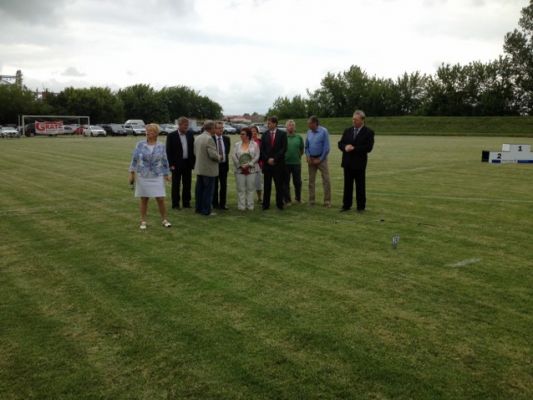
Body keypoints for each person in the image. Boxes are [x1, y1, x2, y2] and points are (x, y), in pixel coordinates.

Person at [128, 123, 171, 230]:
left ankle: (164, 220)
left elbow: (165, 160)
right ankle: (143, 221)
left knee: (160, 198)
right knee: (144, 199)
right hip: (143, 175)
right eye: (147, 131)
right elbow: (134, 159)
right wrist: (132, 173)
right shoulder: (140, 144)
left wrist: (166, 174)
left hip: (157, 175)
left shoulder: (161, 145)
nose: (148, 133)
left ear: (156, 133)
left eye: (151, 131)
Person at [338, 110, 375, 212]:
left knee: (360, 185)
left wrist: (354, 148)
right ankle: (346, 205)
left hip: (359, 163)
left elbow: (368, 147)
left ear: (362, 120)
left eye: (356, 120)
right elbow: (340, 143)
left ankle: (361, 207)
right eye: (353, 119)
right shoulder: (347, 131)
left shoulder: (369, 132)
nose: (354, 121)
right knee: (347, 185)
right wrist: (345, 147)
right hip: (347, 162)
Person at [166, 116, 195, 209]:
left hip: (187, 163)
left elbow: (192, 150)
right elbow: (168, 152)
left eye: (187, 125)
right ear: (179, 125)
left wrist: (193, 163)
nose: (186, 127)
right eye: (185, 125)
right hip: (176, 164)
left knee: (187, 184)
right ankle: (175, 204)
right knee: (176, 185)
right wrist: (171, 165)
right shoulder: (171, 136)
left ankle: (186, 203)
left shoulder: (190, 134)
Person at [194, 120, 221, 216]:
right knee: (208, 191)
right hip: (208, 169)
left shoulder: (198, 137)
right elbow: (213, 155)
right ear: (211, 128)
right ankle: (206, 210)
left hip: (200, 168)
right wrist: (219, 157)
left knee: (199, 190)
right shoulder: (209, 139)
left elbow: (195, 152)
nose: (215, 129)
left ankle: (198, 208)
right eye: (214, 127)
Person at [260, 116, 287, 210]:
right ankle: (265, 205)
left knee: (279, 186)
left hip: (278, 165)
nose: (268, 125)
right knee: (267, 186)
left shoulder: (282, 134)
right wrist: (267, 159)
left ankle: (279, 204)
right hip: (267, 165)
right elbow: (262, 150)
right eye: (267, 123)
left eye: (269, 123)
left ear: (275, 124)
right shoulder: (264, 135)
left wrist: (274, 159)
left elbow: (283, 149)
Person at [304, 116, 331, 207]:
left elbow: (326, 147)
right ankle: (311, 201)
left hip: (321, 159)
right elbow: (306, 146)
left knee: (326, 180)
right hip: (311, 159)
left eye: (309, 124)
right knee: (311, 181)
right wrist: (308, 155)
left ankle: (327, 201)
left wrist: (320, 159)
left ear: (315, 123)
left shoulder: (324, 131)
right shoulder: (308, 132)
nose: (308, 125)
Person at [231, 128, 260, 211]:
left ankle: (250, 206)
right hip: (239, 170)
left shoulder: (255, 144)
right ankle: (241, 206)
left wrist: (249, 164)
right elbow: (233, 156)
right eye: (240, 134)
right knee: (241, 189)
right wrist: (240, 165)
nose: (241, 135)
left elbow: (257, 156)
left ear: (248, 135)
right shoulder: (237, 144)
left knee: (250, 189)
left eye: (243, 134)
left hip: (251, 170)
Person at [283, 119, 304, 205]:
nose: (291, 127)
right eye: (289, 125)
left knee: (298, 182)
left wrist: (298, 156)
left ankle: (298, 199)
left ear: (295, 127)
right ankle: (287, 200)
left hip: (296, 163)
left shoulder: (299, 137)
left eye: (292, 125)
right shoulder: (283, 137)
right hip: (285, 164)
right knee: (285, 182)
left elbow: (301, 149)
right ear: (286, 127)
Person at [212, 121, 231, 210]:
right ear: (215, 129)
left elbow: (227, 152)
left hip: (224, 166)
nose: (221, 130)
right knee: (215, 185)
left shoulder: (227, 139)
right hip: (214, 165)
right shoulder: (211, 139)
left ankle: (223, 204)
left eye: (222, 128)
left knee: (223, 185)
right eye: (219, 128)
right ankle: (215, 203)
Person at [251, 125, 263, 203]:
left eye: (254, 131)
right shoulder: (246, 141)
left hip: (258, 164)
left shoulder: (260, 141)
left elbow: (262, 153)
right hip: (249, 165)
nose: (253, 132)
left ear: (257, 132)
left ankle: (259, 197)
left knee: (258, 182)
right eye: (251, 131)